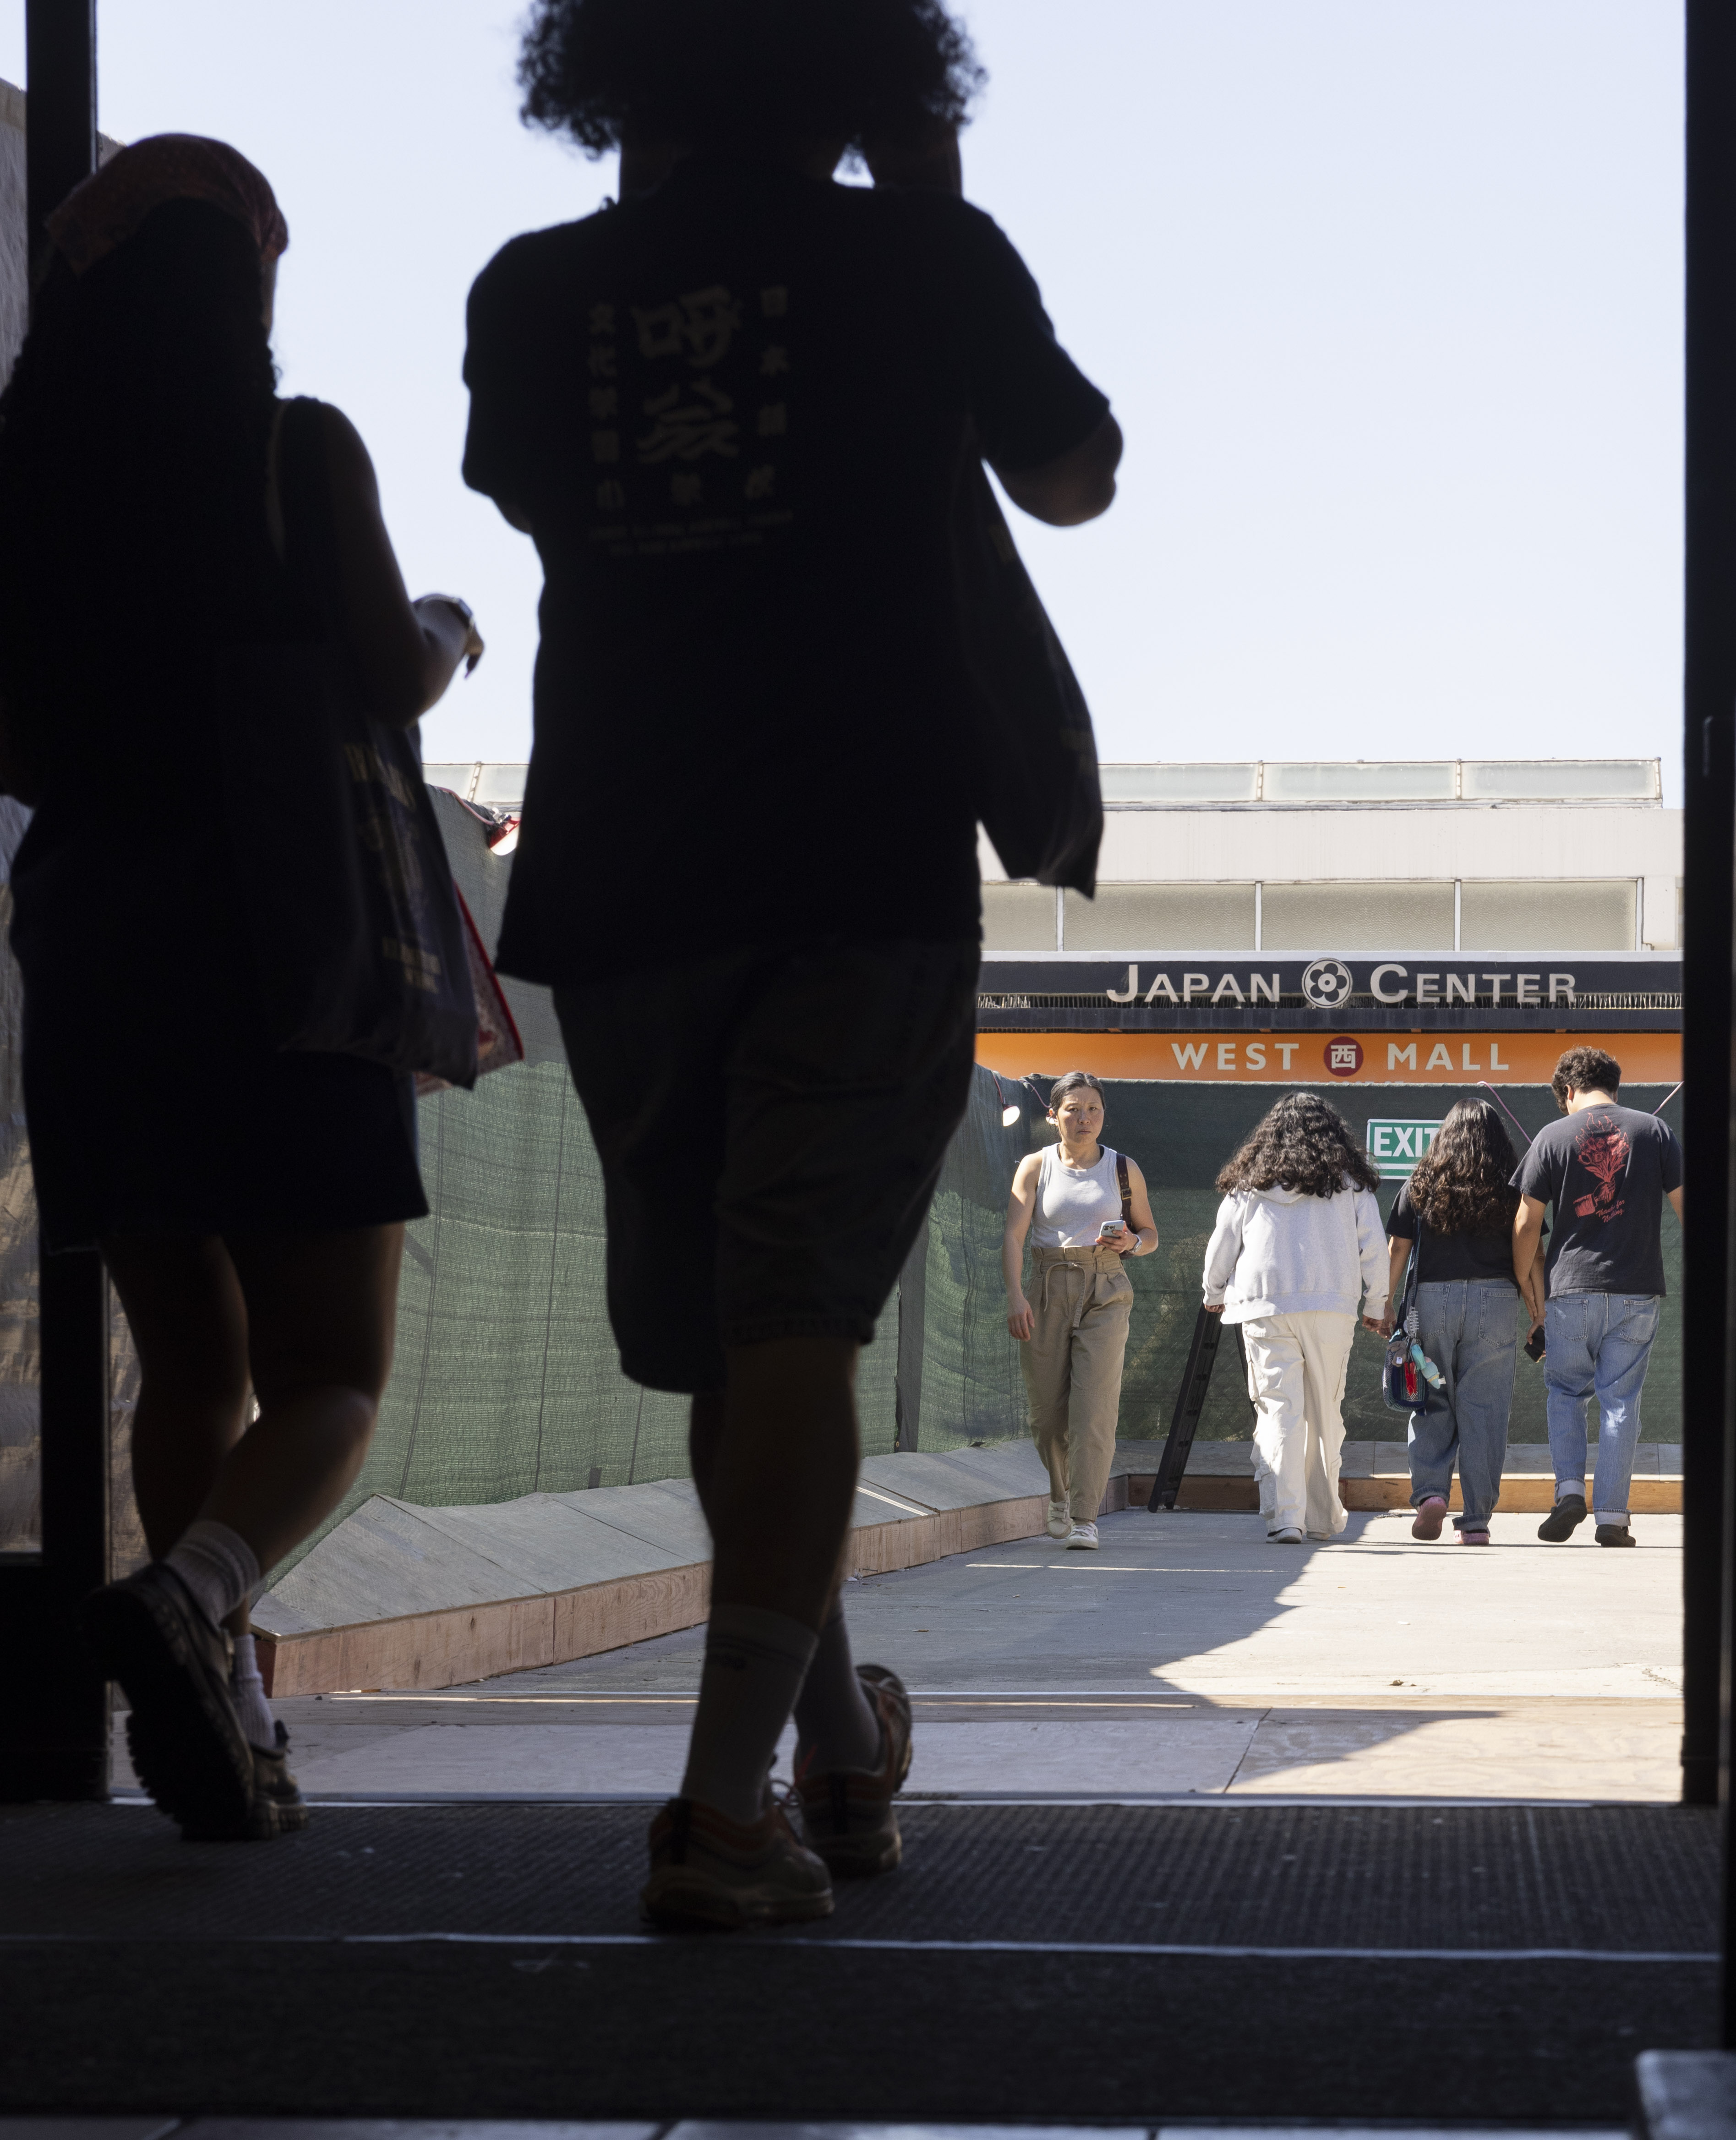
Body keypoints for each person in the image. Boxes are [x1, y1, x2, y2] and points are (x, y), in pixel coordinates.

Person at [464, 0, 1120, 1927]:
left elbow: (526, 490)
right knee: (791, 1324)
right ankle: (715, 1807)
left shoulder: (533, 293)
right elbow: (1073, 476)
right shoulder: (922, 259)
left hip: (627, 869)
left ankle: (826, 1747)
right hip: (858, 861)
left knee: (726, 1340)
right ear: (872, 76)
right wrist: (927, 203)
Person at [0, 138, 483, 1840]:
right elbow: (384, 673)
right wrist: (451, 619)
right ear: (252, 283)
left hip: (91, 943)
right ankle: (197, 1594)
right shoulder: (296, 447)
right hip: (286, 943)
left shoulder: (23, 478)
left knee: (186, 1363)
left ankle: (236, 1718)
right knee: (331, 1376)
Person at [1511, 1046, 1683, 1548]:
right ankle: (1612, 1517)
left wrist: (1526, 1281)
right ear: (1615, 1084)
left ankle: (1568, 1490)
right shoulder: (1654, 1132)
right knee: (1620, 1401)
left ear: (1567, 1091)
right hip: (1637, 1291)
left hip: (1569, 1292)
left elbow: (1526, 1223)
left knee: (1566, 1393)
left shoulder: (1550, 1137)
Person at [1202, 1093, 1386, 1543]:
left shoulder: (1247, 1185)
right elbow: (1374, 1248)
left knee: (1278, 1410)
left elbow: (1221, 1244)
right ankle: (1322, 1518)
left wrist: (1213, 1291)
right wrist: (1376, 1304)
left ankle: (1287, 1517)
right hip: (1331, 1306)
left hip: (1264, 1306)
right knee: (1326, 1411)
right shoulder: (1351, 1186)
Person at [1003, 1071, 1155, 1550]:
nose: (1084, 1119)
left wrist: (1131, 1241)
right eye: (1073, 1109)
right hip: (1046, 1286)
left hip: (1106, 1287)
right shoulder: (1034, 1166)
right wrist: (1015, 1297)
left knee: (1094, 1408)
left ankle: (1086, 1518)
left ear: (1103, 1115)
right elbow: (1012, 1235)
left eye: (1093, 1109)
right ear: (1053, 1116)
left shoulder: (1123, 1169)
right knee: (1048, 1414)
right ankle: (1060, 1495)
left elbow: (1150, 1235)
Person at [1384, 1099, 1542, 1546]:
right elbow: (1532, 1254)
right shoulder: (1513, 1187)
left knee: (1431, 1397)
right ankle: (1475, 1520)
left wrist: (1381, 1302)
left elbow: (1398, 1247)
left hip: (1433, 1300)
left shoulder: (1422, 1181)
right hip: (1495, 1301)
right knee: (1485, 1412)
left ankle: (1431, 1494)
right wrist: (1537, 1313)